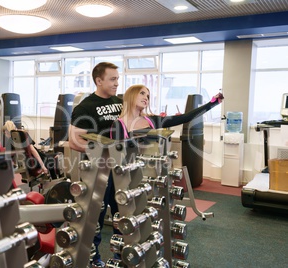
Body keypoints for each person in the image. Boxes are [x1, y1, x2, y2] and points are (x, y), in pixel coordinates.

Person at [69, 62, 123, 267]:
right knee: (95, 219)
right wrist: (101, 150)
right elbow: (74, 141)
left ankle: (122, 256)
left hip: (119, 170)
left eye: (117, 79)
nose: (117, 83)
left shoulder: (120, 103)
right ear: (99, 81)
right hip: (97, 171)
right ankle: (93, 259)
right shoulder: (86, 107)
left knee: (122, 214)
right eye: (112, 79)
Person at [110, 84, 224, 140]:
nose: (146, 98)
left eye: (148, 96)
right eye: (142, 93)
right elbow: (116, 154)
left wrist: (212, 103)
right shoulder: (119, 124)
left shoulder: (152, 120)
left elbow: (186, 118)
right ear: (131, 95)